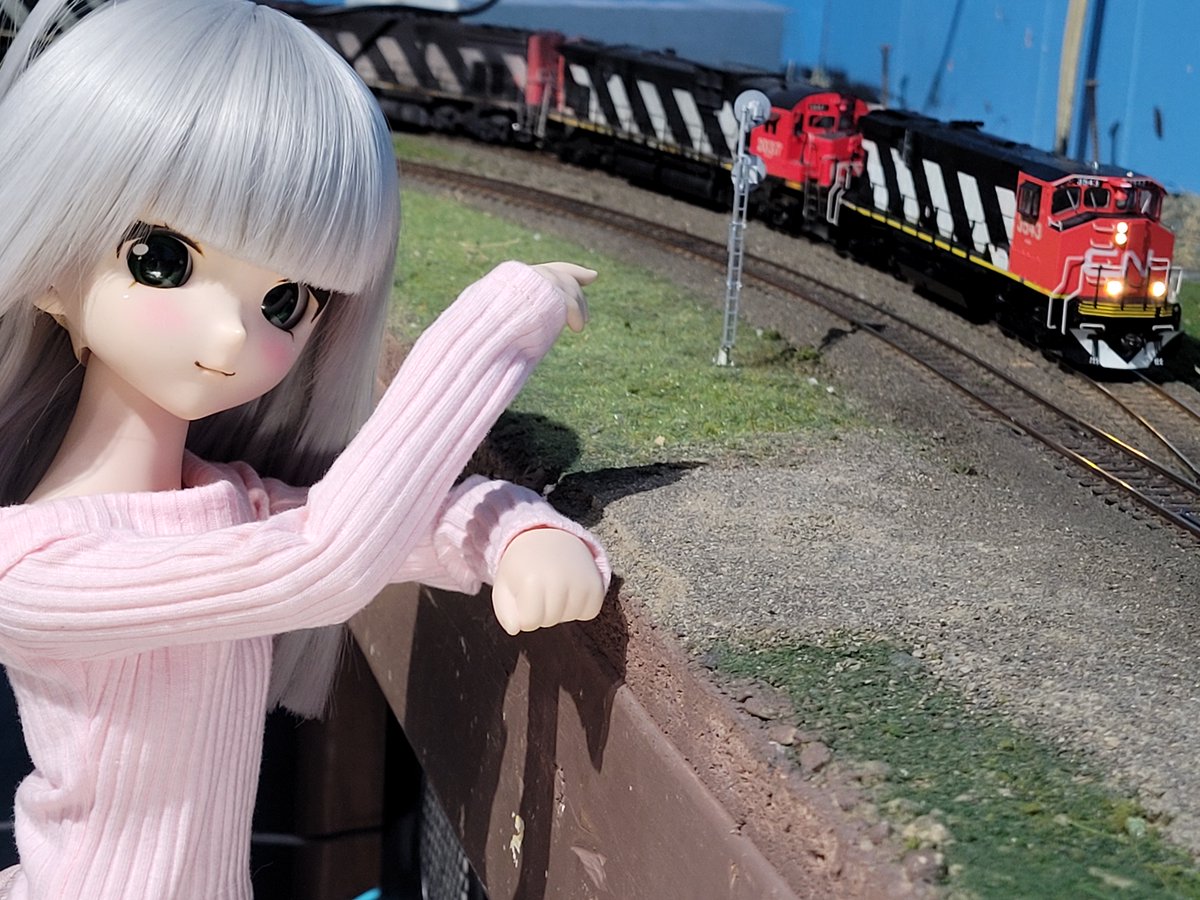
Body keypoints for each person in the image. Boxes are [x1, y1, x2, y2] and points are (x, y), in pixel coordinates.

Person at [0, 0, 609, 896]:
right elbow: (326, 561)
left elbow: (404, 523)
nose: (233, 333)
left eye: (285, 302)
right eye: (163, 259)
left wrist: (518, 529)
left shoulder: (229, 506)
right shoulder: (33, 571)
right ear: (51, 268)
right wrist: (500, 324)